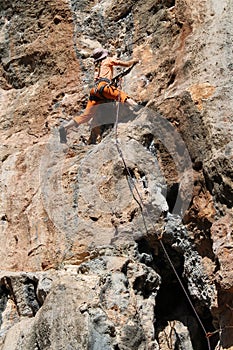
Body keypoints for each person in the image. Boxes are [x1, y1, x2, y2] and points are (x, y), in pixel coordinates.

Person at [59, 47, 139, 143]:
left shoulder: (98, 67)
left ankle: (64, 128)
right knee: (121, 95)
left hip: (95, 91)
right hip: (103, 88)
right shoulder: (108, 60)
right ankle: (137, 108)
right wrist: (134, 60)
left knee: (86, 116)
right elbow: (126, 64)